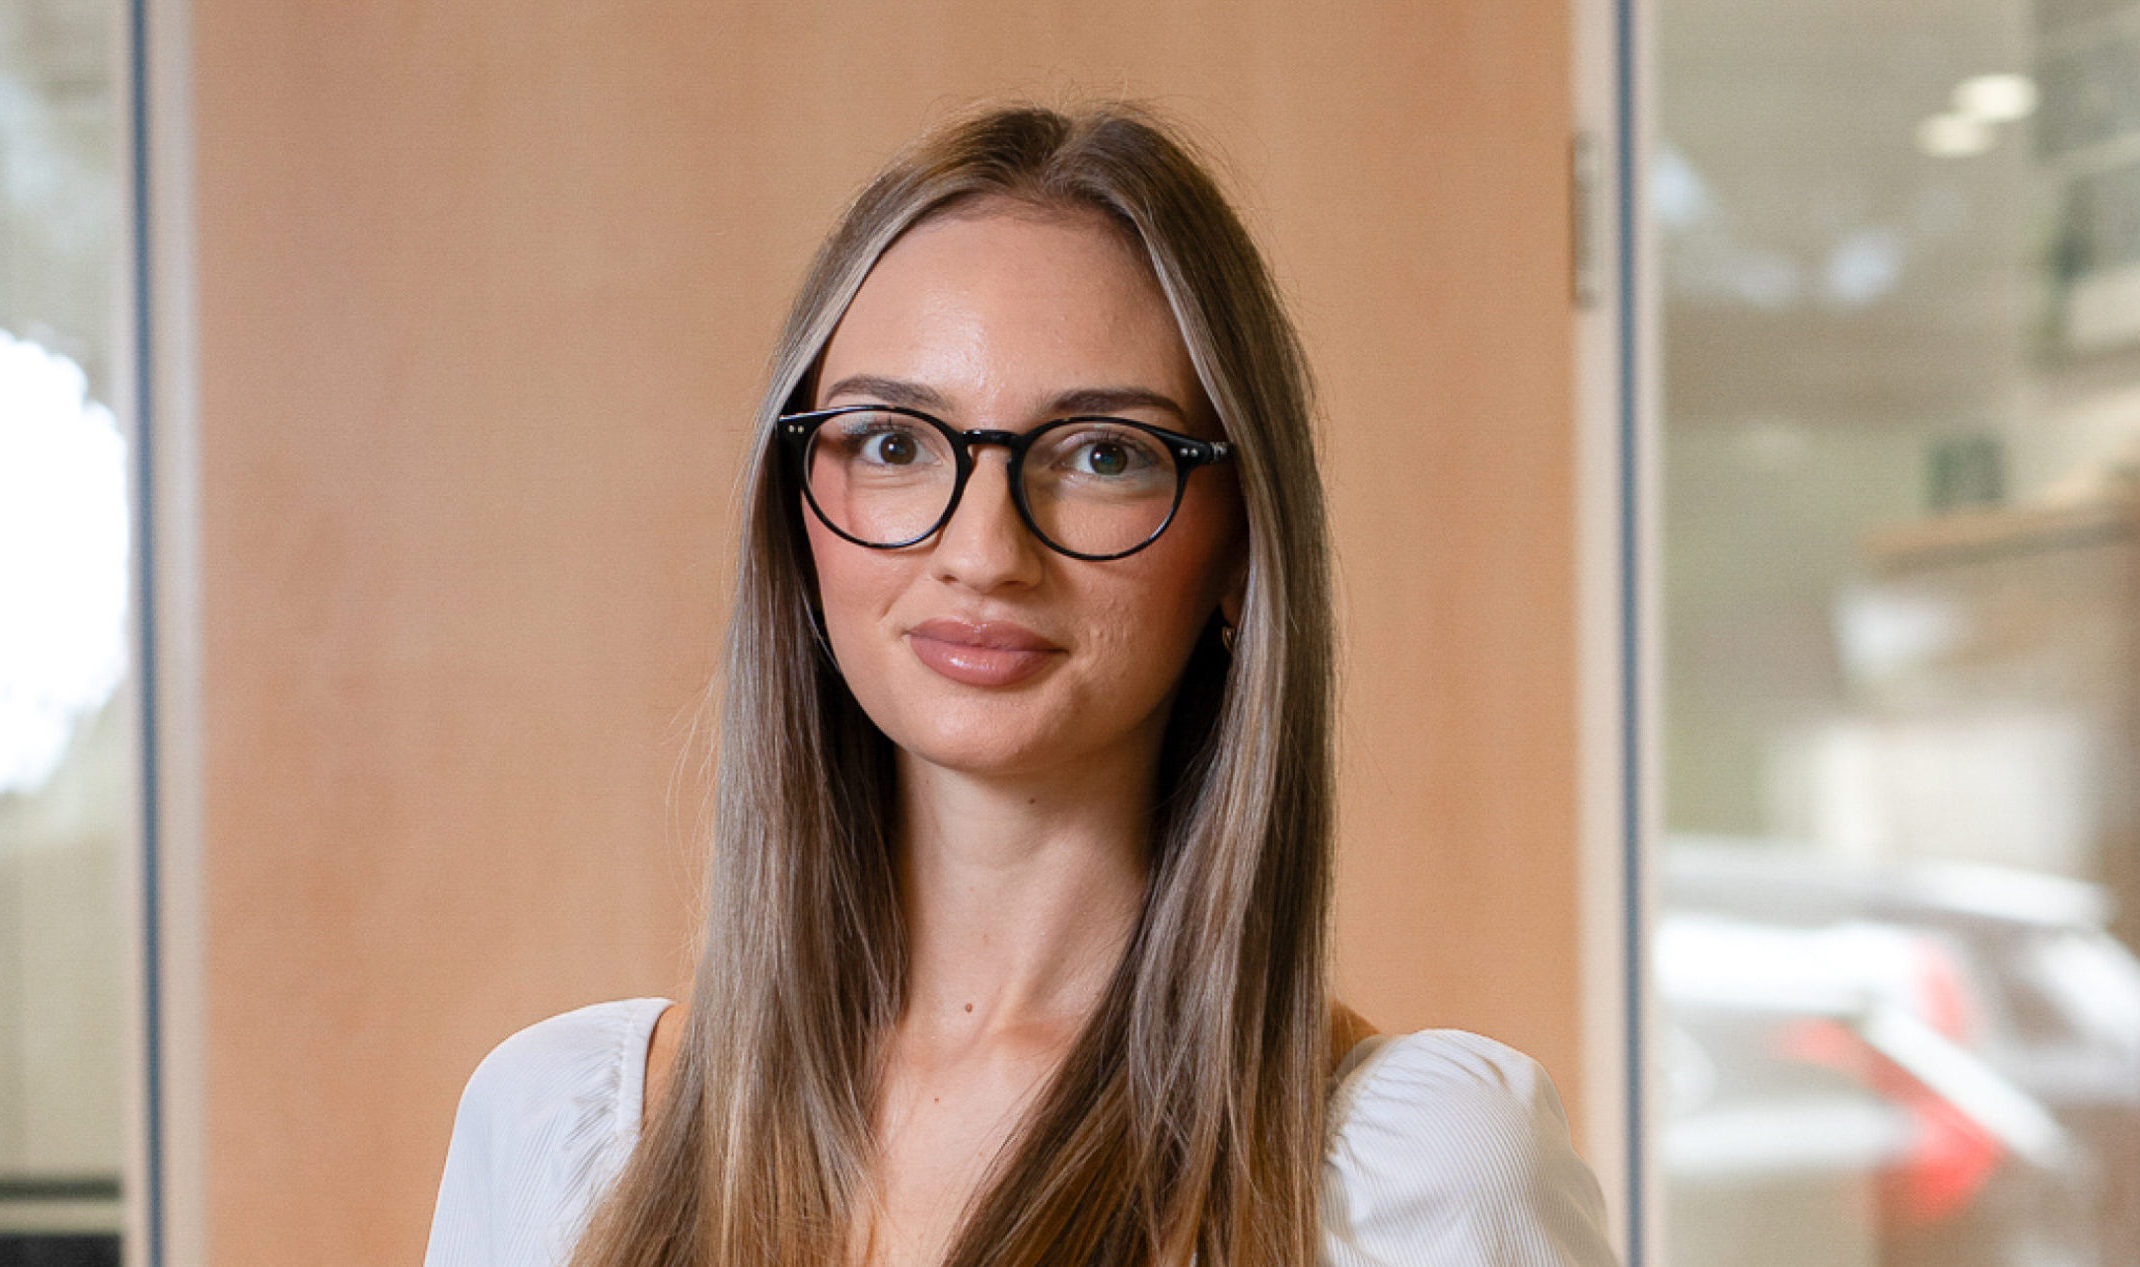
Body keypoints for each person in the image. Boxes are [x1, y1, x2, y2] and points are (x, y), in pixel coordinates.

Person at [423, 103, 1616, 1267]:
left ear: (1241, 549)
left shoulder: (1422, 1180)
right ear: (796, 514)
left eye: (1102, 454)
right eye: (893, 442)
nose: (984, 551)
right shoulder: (559, 1138)